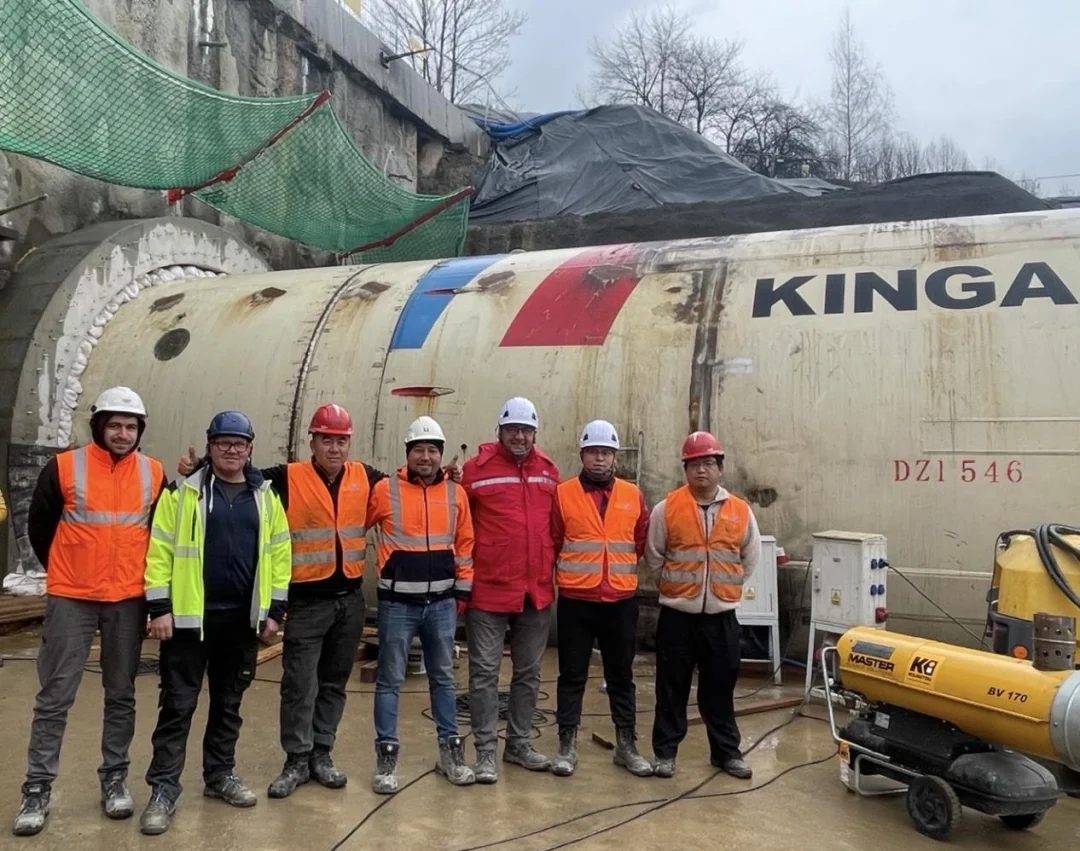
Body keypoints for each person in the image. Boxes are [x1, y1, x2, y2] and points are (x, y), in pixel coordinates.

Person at [177, 403, 379, 799]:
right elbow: (239, 473)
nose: (334, 448)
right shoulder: (287, 477)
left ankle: (322, 753)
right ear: (312, 442)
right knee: (299, 684)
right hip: (307, 602)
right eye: (326, 440)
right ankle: (297, 759)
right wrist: (200, 466)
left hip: (349, 602)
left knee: (333, 683)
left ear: (349, 443)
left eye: (341, 441)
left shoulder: (365, 476)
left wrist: (449, 475)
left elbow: (407, 485)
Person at [12, 387, 166, 838]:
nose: (123, 434)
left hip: (127, 599)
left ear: (140, 431)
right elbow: (40, 528)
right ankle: (37, 788)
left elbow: (160, 532)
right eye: (115, 425)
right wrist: (67, 569)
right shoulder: (64, 467)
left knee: (121, 694)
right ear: (99, 426)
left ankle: (114, 779)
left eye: (131, 427)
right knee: (55, 696)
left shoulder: (153, 472)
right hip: (72, 597)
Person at [139, 411, 291, 835]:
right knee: (177, 706)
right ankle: (163, 789)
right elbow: (159, 552)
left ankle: (219, 775)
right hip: (190, 623)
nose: (231, 449)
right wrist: (159, 609)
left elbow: (281, 555)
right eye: (223, 442)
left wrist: (275, 611)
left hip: (241, 622)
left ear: (250, 449)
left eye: (239, 443)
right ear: (210, 446)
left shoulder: (266, 497)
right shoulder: (181, 493)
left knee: (228, 704)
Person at [366, 416, 475, 793]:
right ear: (407, 453)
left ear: (441, 455)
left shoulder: (456, 493)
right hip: (397, 605)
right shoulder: (385, 490)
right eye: (418, 450)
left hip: (441, 604)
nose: (425, 457)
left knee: (443, 678)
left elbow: (465, 543)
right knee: (389, 680)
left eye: (432, 450)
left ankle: (450, 755)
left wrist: (463, 590)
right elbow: (356, 524)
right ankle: (386, 760)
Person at [645, 431, 762, 780]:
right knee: (671, 689)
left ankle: (726, 753)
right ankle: (665, 753)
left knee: (720, 689)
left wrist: (723, 590)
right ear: (685, 469)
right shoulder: (666, 509)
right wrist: (678, 590)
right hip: (677, 617)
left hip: (721, 617)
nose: (701, 470)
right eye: (694, 463)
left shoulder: (740, 511)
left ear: (720, 468)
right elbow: (654, 556)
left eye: (708, 463)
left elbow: (749, 558)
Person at [461, 397, 559, 783]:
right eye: (512, 429)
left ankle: (518, 745)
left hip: (534, 591)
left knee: (529, 672)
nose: (519, 436)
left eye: (526, 430)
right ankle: (486, 751)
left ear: (535, 433)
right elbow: (458, 522)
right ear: (499, 431)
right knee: (484, 673)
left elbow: (556, 527)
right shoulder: (476, 471)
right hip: (489, 590)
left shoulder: (548, 471)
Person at [550, 420, 653, 778]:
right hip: (577, 600)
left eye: (606, 453)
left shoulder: (632, 495)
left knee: (621, 675)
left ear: (615, 457)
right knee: (571, 674)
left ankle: (626, 745)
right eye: (593, 452)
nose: (599, 459)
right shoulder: (563, 494)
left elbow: (639, 541)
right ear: (582, 454)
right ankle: (566, 745)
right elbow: (554, 540)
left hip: (620, 601)